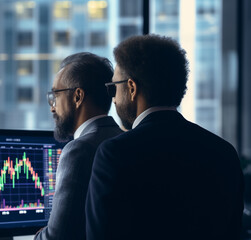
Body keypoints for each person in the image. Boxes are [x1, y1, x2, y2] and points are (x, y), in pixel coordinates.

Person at [85, 35, 244, 240]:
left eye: (113, 87)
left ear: (132, 88)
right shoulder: (224, 152)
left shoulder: (114, 154)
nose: (113, 98)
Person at [34, 52, 123, 240]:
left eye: (55, 95)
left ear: (77, 96)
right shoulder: (124, 140)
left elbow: (58, 237)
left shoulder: (78, 150)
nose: (52, 107)